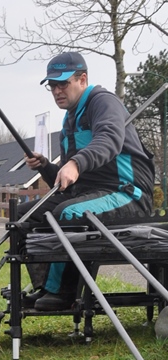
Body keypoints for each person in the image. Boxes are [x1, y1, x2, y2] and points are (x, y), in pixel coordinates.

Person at [20, 51, 155, 310]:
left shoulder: (103, 103)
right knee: (25, 217)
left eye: (63, 84)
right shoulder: (69, 118)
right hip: (89, 193)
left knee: (68, 214)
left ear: (83, 79)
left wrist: (75, 162)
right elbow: (68, 182)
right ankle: (45, 287)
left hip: (126, 193)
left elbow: (109, 140)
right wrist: (47, 167)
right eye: (52, 86)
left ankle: (64, 293)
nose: (57, 91)